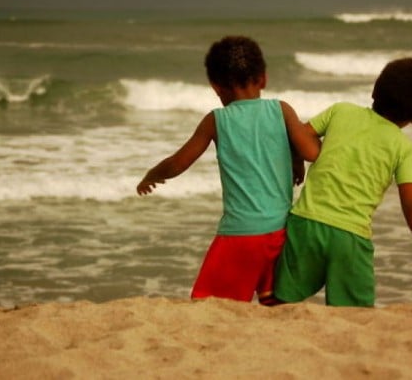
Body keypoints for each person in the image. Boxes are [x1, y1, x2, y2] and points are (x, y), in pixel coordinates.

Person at [136, 36, 319, 305]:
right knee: (272, 300)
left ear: (216, 87)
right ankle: (267, 293)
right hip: (281, 232)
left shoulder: (216, 120)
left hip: (241, 236)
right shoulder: (282, 110)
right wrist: (296, 162)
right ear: (263, 79)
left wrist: (152, 174)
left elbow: (178, 163)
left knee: (207, 304)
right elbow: (307, 150)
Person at [274, 57, 412, 307]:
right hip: (350, 238)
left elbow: (301, 135)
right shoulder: (404, 148)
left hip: (305, 224)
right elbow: (411, 203)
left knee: (283, 301)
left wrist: (297, 162)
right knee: (354, 314)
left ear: (374, 91)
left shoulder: (341, 111)